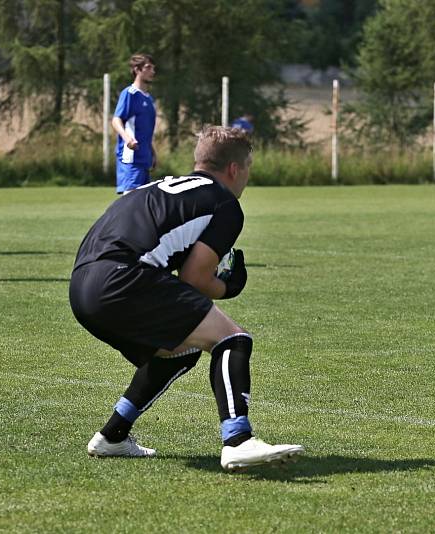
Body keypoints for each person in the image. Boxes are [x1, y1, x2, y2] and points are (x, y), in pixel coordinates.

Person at [70, 126, 304, 470]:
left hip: (81, 286)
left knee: (183, 349)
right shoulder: (226, 203)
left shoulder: (159, 187)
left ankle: (113, 436)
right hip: (123, 279)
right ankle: (238, 440)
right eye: (248, 168)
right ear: (234, 169)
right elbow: (195, 278)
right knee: (232, 339)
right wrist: (229, 286)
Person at [111, 53, 157, 194]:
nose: (152, 72)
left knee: (142, 204)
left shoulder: (149, 99)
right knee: (129, 202)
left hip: (144, 158)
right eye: (148, 67)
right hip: (131, 157)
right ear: (137, 70)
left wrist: (152, 152)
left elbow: (144, 130)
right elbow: (116, 120)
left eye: (153, 68)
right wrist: (127, 138)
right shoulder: (129, 94)